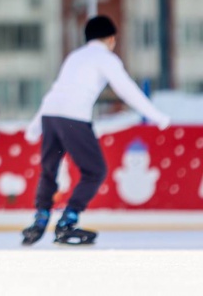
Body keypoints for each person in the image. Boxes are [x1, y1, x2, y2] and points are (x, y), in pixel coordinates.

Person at [22, 15, 170, 246]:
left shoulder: (75, 56)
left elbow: (56, 90)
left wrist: (35, 124)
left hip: (51, 116)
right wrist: (155, 115)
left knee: (49, 169)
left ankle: (40, 218)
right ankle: (68, 221)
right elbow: (126, 89)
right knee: (95, 171)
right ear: (111, 38)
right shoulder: (106, 58)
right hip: (73, 118)